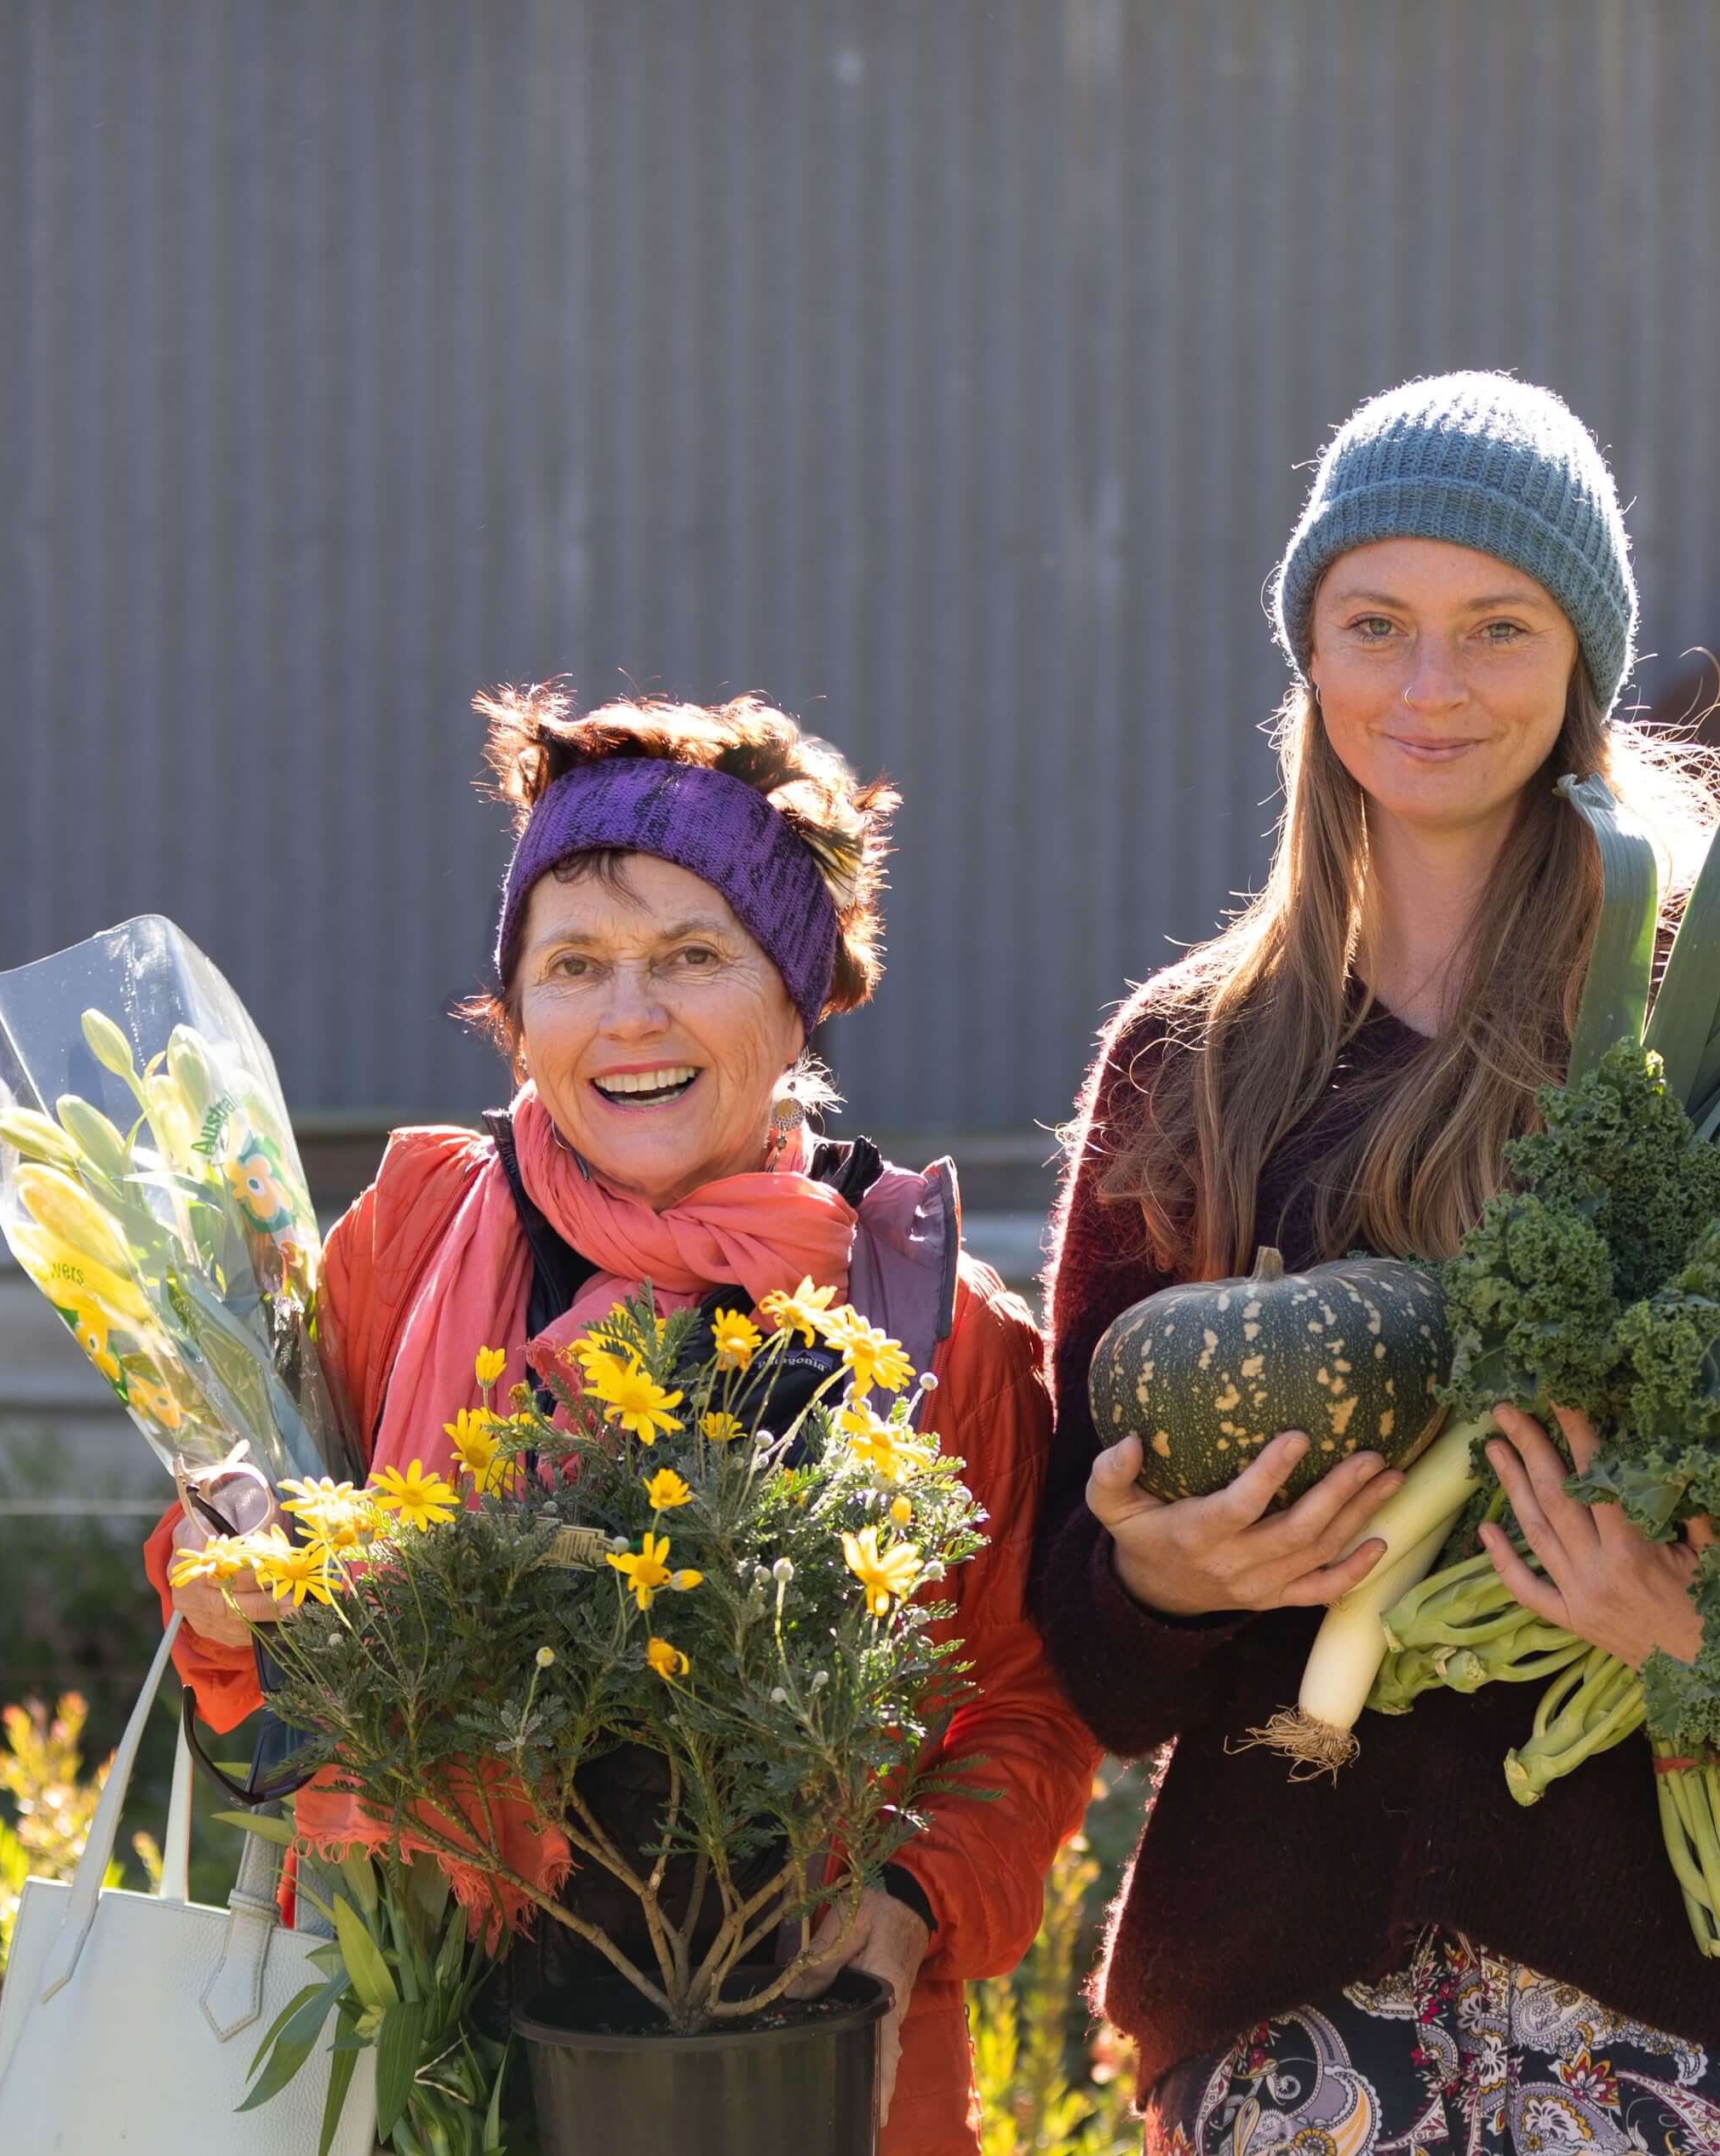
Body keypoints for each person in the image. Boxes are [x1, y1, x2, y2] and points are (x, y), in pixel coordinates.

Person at [1030, 375, 1720, 2154]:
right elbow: (1088, 1647)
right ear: (1309, 647)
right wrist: (1163, 1582)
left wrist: (1704, 1638)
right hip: (1293, 2003)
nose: (1427, 686)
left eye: (1494, 629)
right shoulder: (1193, 1066)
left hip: (1712, 2003)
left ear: (1581, 662)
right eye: (1375, 624)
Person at [151, 685, 1096, 2156]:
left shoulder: (927, 1317)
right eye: (573, 964)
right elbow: (257, 1606)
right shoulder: (407, 1248)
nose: (628, 1013)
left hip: (798, 2065)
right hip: (430, 2045)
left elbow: (1021, 1708)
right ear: (514, 1019)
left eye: (693, 956)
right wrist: (219, 1595)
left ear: (799, 997)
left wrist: (907, 1910)